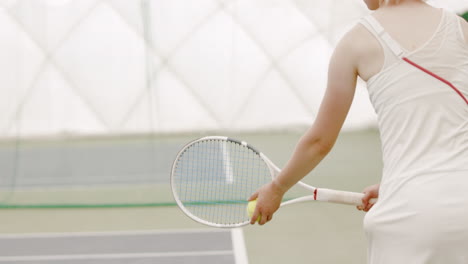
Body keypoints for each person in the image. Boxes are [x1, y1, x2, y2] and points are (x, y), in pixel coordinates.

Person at [248, 0, 468, 262]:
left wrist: (277, 187)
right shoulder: (461, 28)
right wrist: (392, 183)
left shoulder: (355, 43)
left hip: (411, 215)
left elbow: (319, 141)